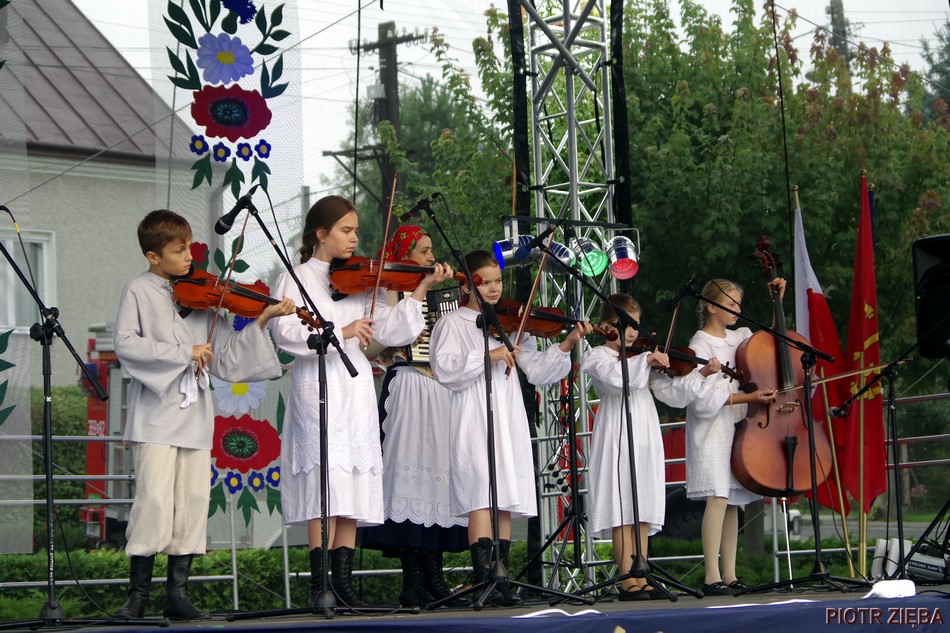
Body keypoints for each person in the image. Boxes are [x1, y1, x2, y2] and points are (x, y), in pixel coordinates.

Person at [113, 209, 296, 620]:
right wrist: (184, 352)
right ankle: (137, 597)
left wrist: (262, 318)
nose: (188, 258)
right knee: (153, 500)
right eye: (178, 251)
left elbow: (226, 357)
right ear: (153, 256)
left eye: (188, 249)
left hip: (195, 413)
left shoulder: (201, 295)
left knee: (193, 500)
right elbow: (126, 344)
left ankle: (176, 595)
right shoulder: (138, 290)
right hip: (156, 414)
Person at [270, 196, 452, 609]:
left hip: (354, 390)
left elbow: (392, 330)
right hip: (319, 389)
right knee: (325, 486)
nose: (355, 238)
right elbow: (287, 335)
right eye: (346, 230)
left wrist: (421, 288)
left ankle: (344, 586)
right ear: (322, 234)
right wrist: (343, 329)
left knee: (351, 484)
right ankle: (320, 587)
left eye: (355, 230)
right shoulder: (296, 278)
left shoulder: (360, 280)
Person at [428, 250, 591, 606]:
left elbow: (538, 371)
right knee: (480, 494)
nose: (494, 288)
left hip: (508, 412)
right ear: (467, 285)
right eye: (485, 282)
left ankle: (500, 579)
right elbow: (445, 370)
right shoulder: (452, 323)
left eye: (498, 281)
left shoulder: (511, 325)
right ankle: (481, 578)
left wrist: (566, 344)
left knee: (503, 496)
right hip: (474, 414)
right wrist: (489, 356)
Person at [581, 293, 718, 601]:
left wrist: (701, 374)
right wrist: (644, 360)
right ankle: (627, 578)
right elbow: (617, 381)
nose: (633, 332)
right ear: (606, 326)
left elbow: (672, 395)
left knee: (641, 504)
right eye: (625, 325)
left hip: (644, 431)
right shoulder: (597, 356)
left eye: (636, 325)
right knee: (622, 507)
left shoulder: (642, 358)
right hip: (617, 431)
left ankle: (642, 573)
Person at [360, 225, 469, 607]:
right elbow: (371, 346)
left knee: (438, 483)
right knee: (408, 481)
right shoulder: (386, 291)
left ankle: (434, 580)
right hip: (407, 385)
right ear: (404, 254)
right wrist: (397, 339)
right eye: (423, 250)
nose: (430, 256)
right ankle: (412, 581)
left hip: (439, 390)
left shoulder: (442, 295)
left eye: (431, 249)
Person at [684, 278, 784, 596]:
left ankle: (730, 574)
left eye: (738, 303)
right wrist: (750, 398)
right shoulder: (699, 344)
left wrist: (776, 301)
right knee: (717, 496)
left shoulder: (740, 336)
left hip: (739, 426)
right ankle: (711, 575)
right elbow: (703, 398)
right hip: (712, 427)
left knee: (732, 501)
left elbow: (768, 342)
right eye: (729, 303)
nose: (736, 309)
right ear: (711, 306)